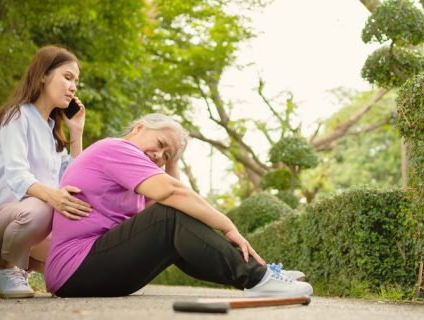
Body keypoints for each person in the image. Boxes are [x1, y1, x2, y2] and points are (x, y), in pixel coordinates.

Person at [44, 113, 313, 297]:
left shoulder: (136, 178)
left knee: (175, 221)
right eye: (160, 144)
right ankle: (257, 278)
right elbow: (174, 197)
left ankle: (258, 276)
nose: (159, 155)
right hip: (76, 268)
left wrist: (171, 160)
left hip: (94, 271)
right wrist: (227, 225)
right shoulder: (115, 148)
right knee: (170, 213)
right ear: (138, 128)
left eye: (166, 155)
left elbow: (180, 206)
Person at [0, 45, 93, 299]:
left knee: (73, 266)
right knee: (46, 204)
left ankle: (26, 268)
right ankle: (5, 269)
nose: (73, 87)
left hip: (30, 220)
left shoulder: (50, 131)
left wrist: (76, 133)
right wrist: (54, 198)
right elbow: (18, 176)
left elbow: (72, 179)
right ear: (43, 75)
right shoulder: (16, 116)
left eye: (76, 82)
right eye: (67, 77)